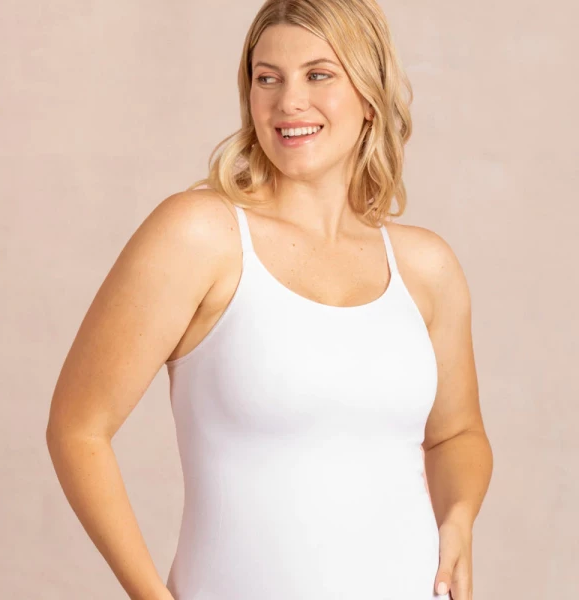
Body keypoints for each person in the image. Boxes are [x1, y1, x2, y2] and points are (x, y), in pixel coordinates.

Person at [46, 0, 493, 598]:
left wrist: (458, 518)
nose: (289, 102)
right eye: (268, 78)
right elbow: (77, 429)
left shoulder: (426, 266)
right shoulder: (200, 235)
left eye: (318, 74)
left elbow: (457, 435)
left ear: (369, 96)